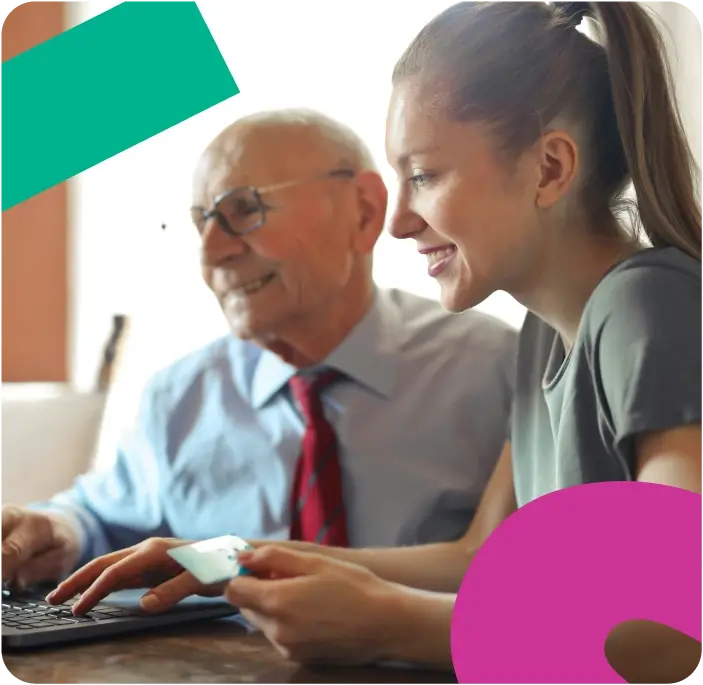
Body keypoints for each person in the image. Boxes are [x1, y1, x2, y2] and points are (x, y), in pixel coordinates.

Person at [42, 0, 703, 679]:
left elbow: (670, 613)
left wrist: (386, 622)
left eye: (423, 175)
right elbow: (478, 557)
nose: (399, 223)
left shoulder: (644, 303)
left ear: (549, 169)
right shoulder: (542, 337)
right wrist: (227, 557)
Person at [0, 109, 518, 595]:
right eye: (202, 222)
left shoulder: (497, 370)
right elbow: (102, 517)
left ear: (362, 213)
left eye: (243, 210)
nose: (211, 253)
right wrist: (57, 529)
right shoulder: (179, 397)